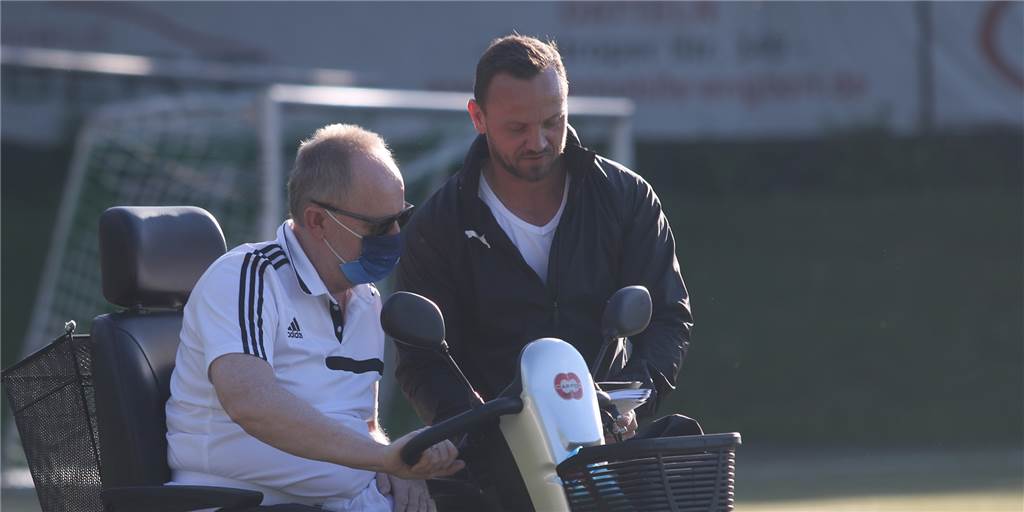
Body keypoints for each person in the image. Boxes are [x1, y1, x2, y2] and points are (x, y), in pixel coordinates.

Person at [395, 34, 698, 453]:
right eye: (517, 128)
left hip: (607, 448)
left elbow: (667, 317)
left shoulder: (627, 198)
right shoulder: (438, 226)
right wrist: (479, 437)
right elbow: (422, 362)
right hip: (494, 465)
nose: (538, 142)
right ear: (477, 118)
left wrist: (628, 403)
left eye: (552, 121)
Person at [165, 124, 463, 512]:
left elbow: (362, 426)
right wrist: (380, 460)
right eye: (377, 226)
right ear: (317, 221)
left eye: (400, 220)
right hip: (242, 502)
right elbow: (251, 403)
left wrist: (398, 464)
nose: (394, 236)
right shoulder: (245, 276)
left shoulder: (366, 300)